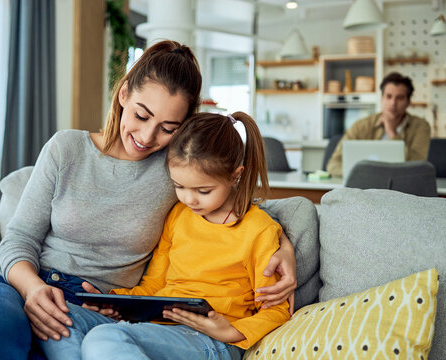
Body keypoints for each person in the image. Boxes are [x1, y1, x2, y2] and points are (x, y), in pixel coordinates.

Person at [0, 40, 296, 360]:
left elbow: (231, 206)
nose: (146, 136)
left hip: (102, 306)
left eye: (168, 128)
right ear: (124, 93)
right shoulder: (67, 148)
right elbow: (19, 239)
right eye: (141, 115)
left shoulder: (175, 171)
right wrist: (33, 289)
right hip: (24, 283)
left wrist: (283, 246)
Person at [37, 111, 291, 360]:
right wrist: (113, 302)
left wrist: (231, 331)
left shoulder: (260, 230)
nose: (189, 199)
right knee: (59, 316)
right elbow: (154, 285)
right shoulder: (179, 215)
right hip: (160, 326)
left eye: (203, 190)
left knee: (104, 337)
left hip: (214, 340)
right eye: (179, 186)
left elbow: (278, 310)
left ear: (235, 175)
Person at [326, 72, 431, 177]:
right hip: (365, 186)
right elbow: (333, 164)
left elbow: (419, 167)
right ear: (382, 98)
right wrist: (362, 174)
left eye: (400, 98)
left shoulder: (421, 127)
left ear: (408, 102)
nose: (393, 103)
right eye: (388, 96)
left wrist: (392, 132)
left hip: (403, 188)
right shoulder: (361, 126)